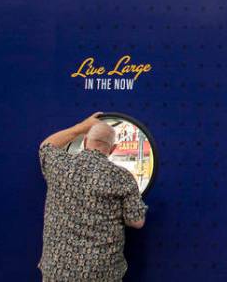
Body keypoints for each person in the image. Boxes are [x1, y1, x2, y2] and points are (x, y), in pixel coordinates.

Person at [38, 113, 148, 281]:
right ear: (112, 149)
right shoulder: (122, 177)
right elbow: (137, 221)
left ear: (84, 142)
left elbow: (46, 145)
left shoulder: (60, 165)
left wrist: (81, 127)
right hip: (101, 272)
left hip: (57, 270)